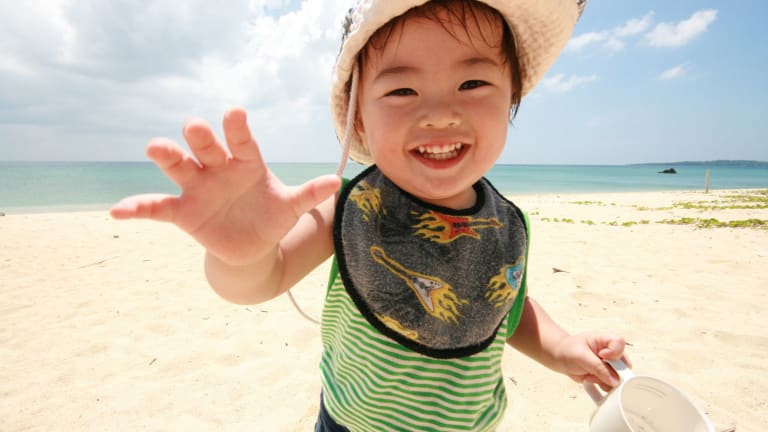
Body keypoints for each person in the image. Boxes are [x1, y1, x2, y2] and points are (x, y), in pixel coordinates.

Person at [111, 0, 628, 430]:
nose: (439, 113)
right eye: (402, 90)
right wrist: (241, 255)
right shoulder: (348, 205)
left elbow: (505, 306)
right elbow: (263, 279)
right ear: (360, 116)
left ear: (512, 93)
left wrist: (561, 347)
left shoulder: (508, 225)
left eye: (472, 83)